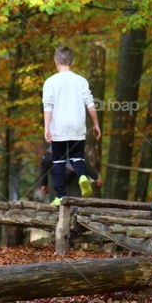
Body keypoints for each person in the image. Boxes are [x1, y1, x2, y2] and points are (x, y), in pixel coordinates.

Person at [42, 45, 101, 206]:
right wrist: (96, 124)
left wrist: (47, 128)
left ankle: (60, 196)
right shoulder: (81, 81)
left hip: (59, 127)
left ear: (55, 62)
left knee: (59, 162)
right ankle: (82, 176)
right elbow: (91, 104)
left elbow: (48, 106)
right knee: (77, 157)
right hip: (77, 127)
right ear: (72, 62)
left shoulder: (50, 82)